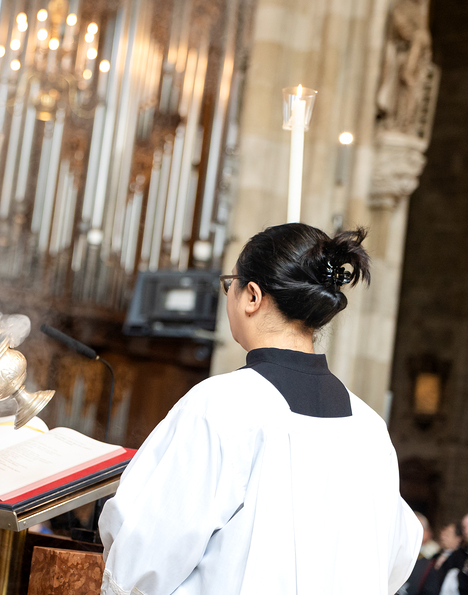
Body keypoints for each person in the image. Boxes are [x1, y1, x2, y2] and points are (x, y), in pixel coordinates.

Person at [99, 224, 421, 595]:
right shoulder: (369, 427)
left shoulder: (223, 404)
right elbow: (396, 556)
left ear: (251, 296)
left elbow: (145, 553)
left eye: (230, 284)